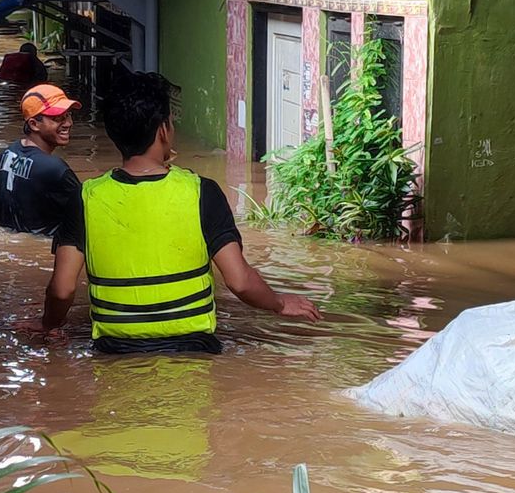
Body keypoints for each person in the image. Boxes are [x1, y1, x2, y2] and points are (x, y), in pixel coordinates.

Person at [26, 71, 321, 353]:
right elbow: (240, 281)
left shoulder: (85, 198)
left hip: (114, 352)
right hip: (194, 349)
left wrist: (47, 324)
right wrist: (279, 303)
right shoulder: (201, 191)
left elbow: (63, 290)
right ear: (164, 129)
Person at [0, 84, 81, 236]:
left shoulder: (6, 154)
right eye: (58, 118)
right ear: (34, 124)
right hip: (45, 249)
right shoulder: (55, 168)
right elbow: (89, 216)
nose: (68, 123)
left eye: (68, 115)